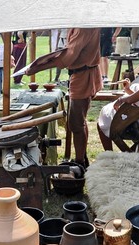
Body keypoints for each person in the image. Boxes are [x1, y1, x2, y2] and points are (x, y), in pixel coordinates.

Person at [23, 28, 102, 166]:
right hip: (82, 74)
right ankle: (82, 159)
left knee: (75, 123)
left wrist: (38, 67)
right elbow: (69, 51)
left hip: (84, 76)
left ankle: (79, 163)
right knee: (79, 121)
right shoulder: (81, 23)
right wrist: (43, 60)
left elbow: (69, 56)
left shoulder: (83, 26)